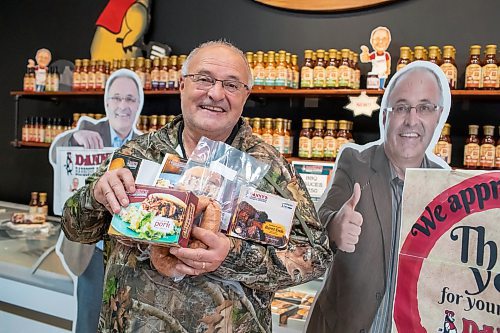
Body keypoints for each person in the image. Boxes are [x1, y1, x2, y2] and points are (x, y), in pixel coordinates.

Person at [61, 40, 332, 332]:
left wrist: (232, 253)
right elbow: (74, 227)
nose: (215, 94)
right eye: (203, 79)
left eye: (231, 85)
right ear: (181, 85)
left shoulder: (270, 168)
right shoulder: (137, 154)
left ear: (246, 95)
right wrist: (96, 195)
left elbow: (315, 257)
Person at [306, 61, 451, 333]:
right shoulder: (355, 162)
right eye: (401, 107)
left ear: (438, 116)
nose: (411, 119)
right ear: (385, 116)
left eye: (424, 107)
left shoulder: (443, 184)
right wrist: (335, 226)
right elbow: (319, 221)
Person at [52, 69, 144, 333]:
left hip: (130, 253)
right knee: (88, 321)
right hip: (91, 251)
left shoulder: (145, 145)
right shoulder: (87, 134)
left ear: (138, 104)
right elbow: (58, 153)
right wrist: (73, 139)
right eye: (116, 99)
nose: (123, 106)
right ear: (106, 103)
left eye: (129, 99)